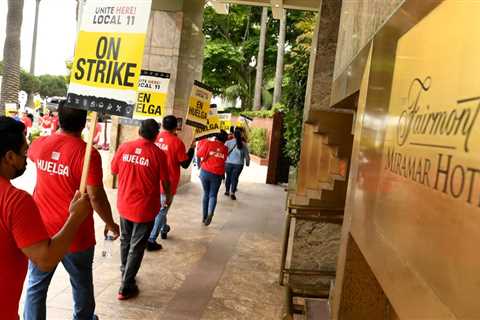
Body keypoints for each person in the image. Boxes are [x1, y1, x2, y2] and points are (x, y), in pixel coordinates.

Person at [24, 102, 120, 320]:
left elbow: (31, 156)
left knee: (36, 285)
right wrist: (111, 223)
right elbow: (95, 196)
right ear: (84, 122)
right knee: (81, 283)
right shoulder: (87, 155)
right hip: (76, 234)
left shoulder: (40, 144)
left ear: (59, 118)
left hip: (42, 230)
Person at [0, 116, 91, 320]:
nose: (26, 159)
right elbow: (45, 259)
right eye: (24, 152)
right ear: (9, 157)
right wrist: (76, 217)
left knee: (36, 287)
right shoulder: (14, 200)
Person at [111, 119, 171, 300]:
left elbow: (114, 171)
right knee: (136, 246)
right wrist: (167, 197)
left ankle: (125, 272)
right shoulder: (158, 154)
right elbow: (165, 181)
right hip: (144, 208)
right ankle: (126, 286)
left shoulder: (124, 148)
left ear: (139, 130)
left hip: (124, 203)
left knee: (125, 240)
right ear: (156, 135)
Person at [147, 115, 195, 246]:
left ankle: (163, 228)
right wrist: (191, 149)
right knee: (162, 210)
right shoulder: (177, 142)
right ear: (176, 127)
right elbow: (184, 164)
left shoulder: (154, 137)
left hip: (151, 181)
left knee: (160, 209)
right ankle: (151, 239)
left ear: (162, 125)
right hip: (167, 183)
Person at [197, 130, 228, 226]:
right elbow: (224, 159)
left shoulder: (208, 143)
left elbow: (199, 154)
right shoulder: (225, 148)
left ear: (216, 137)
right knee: (213, 195)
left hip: (205, 172)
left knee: (206, 193)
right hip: (217, 174)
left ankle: (204, 216)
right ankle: (210, 213)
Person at [224, 128, 250, 200]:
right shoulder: (243, 144)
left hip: (228, 163)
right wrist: (247, 162)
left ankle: (227, 191)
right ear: (240, 135)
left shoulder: (227, 142)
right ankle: (232, 192)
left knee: (228, 177)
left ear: (233, 135)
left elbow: (223, 152)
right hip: (239, 164)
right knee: (235, 178)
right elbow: (246, 155)